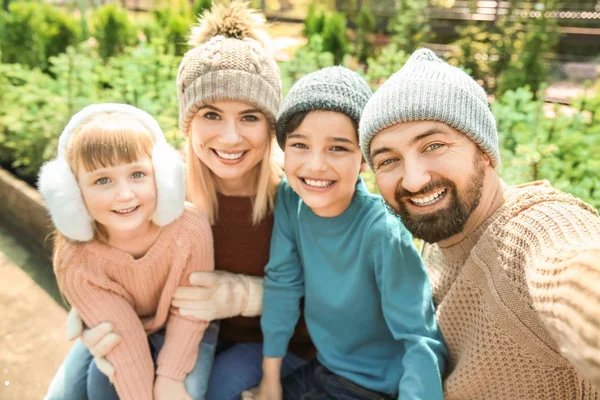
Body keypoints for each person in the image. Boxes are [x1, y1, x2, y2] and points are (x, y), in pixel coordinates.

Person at [44, 2, 313, 399]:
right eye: (211, 114)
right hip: (168, 328)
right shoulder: (159, 192)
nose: (230, 137)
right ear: (187, 121)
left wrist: (247, 294)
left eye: (251, 117)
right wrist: (94, 306)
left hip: (267, 342)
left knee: (214, 386)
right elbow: (112, 258)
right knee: (78, 387)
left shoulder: (297, 199)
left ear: (272, 124)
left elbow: (338, 301)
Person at [358, 48, 600, 399]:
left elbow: (573, 266)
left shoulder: (533, 228)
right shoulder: (442, 233)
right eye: (388, 160)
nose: (412, 180)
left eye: (434, 145)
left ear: (483, 150)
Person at [250, 66, 446, 400]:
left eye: (337, 148)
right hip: (325, 368)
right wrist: (271, 379)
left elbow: (420, 339)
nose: (315, 165)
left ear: (364, 159)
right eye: (300, 145)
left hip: (372, 387)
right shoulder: (289, 197)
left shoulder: (383, 233)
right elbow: (283, 283)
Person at [38, 103, 216, 400]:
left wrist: (169, 379)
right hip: (118, 328)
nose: (124, 194)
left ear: (162, 176)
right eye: (102, 180)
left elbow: (191, 311)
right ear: (72, 194)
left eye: (137, 174)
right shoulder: (75, 258)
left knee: (187, 391)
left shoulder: (190, 228)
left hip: (186, 321)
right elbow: (124, 339)